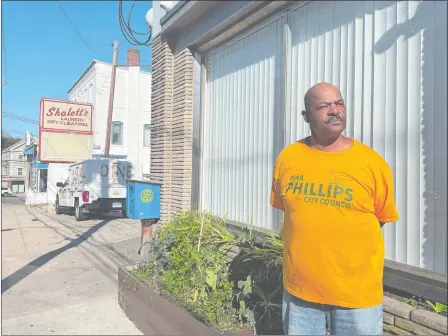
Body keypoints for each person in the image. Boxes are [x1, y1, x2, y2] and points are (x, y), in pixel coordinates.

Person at [270, 83, 399, 335]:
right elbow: (293, 214)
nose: (334, 110)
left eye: (339, 103)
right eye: (323, 106)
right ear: (306, 116)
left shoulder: (372, 163)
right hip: (300, 292)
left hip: (356, 296)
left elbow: (380, 218)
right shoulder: (288, 158)